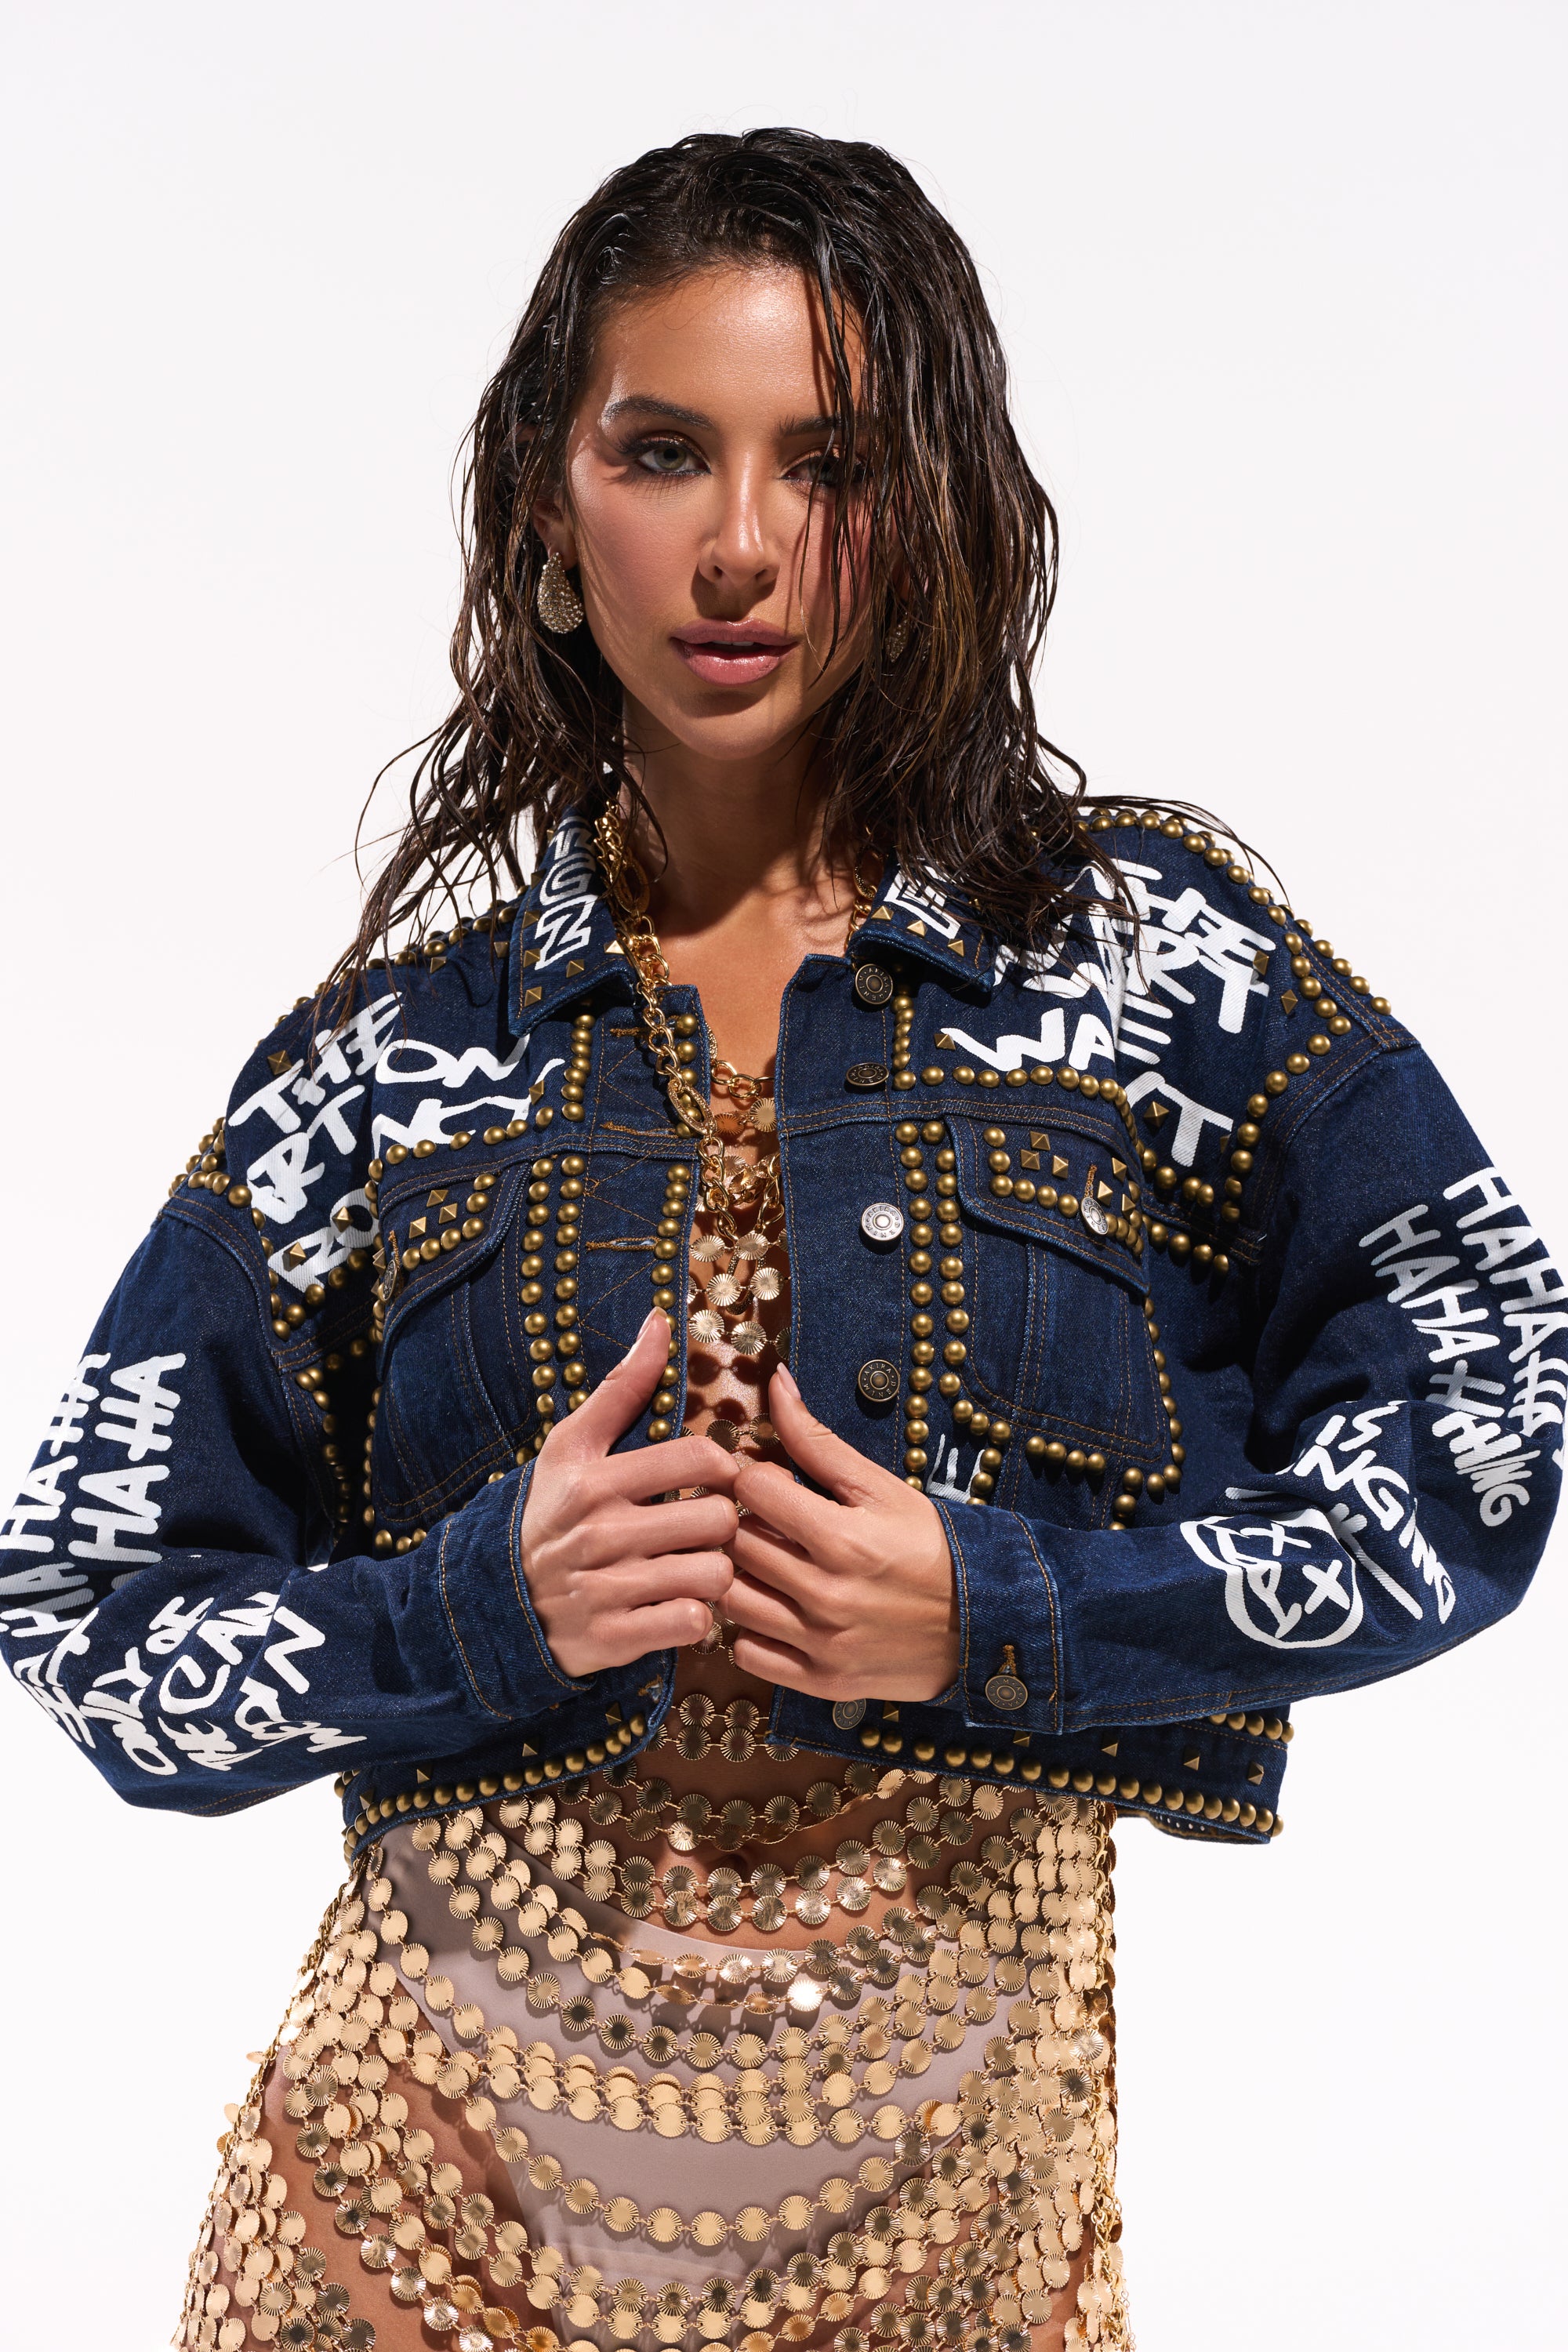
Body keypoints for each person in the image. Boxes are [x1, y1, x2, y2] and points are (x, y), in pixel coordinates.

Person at [1, 128, 1555, 2352]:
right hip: (403, 2239)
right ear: (554, 516)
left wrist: (1005, 1606)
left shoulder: (1147, 974)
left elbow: (1488, 1423)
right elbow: (84, 1602)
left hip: (949, 2261)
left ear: (929, 510)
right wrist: (472, 1608)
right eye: (663, 453)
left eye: (824, 463)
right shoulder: (385, 1063)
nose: (739, 548)